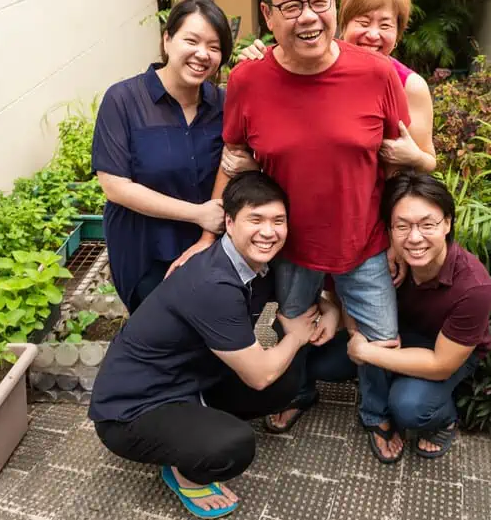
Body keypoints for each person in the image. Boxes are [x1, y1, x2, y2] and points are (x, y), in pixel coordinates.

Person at [172, 0, 412, 464]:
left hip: (365, 242)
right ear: (267, 15)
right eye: (290, 5)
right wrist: (209, 234)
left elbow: (395, 164)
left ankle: (375, 413)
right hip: (288, 245)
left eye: (318, 1)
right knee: (290, 322)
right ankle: (298, 394)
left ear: (333, 1)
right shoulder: (248, 80)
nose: (308, 16)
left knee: (381, 338)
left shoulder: (375, 74)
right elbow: (235, 159)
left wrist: (397, 237)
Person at [89, 171, 333, 519]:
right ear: (229, 223)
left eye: (278, 220)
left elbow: (309, 303)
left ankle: (194, 428)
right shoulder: (212, 283)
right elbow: (259, 376)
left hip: (190, 380)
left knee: (288, 378)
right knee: (231, 445)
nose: (268, 231)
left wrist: (331, 308)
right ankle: (185, 474)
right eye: (256, 219)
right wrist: (296, 335)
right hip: (132, 410)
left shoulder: (253, 262)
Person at [268, 171, 491, 459]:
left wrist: (365, 353)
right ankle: (388, 376)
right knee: (318, 363)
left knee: (409, 407)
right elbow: (345, 291)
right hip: (390, 337)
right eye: (402, 226)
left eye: (427, 225)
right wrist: (349, 328)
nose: (414, 238)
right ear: (388, 228)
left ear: (447, 223)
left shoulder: (474, 286)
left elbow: (441, 364)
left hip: (444, 350)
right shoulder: (384, 260)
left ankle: (444, 418)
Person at [91, 0, 233, 313]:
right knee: (160, 337)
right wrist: (197, 213)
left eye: (214, 46)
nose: (202, 54)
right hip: (145, 249)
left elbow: (234, 163)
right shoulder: (124, 100)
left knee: (208, 339)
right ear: (167, 39)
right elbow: (114, 186)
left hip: (209, 245)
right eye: (192, 40)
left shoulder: (224, 104)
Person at [227, 0, 436, 174]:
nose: (373, 34)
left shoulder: (408, 85)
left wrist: (413, 158)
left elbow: (427, 162)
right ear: (342, 23)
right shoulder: (306, 64)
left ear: (397, 34)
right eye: (363, 23)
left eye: (385, 26)